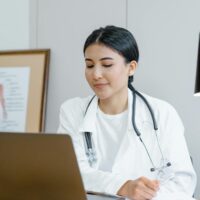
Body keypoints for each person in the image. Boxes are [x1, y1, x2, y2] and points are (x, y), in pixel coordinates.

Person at [58, 25, 196, 200]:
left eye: (107, 64)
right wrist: (123, 186)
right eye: (89, 65)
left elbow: (182, 183)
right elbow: (71, 174)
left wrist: (141, 193)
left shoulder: (162, 113)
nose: (96, 74)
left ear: (131, 68)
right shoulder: (73, 111)